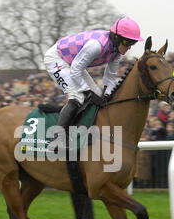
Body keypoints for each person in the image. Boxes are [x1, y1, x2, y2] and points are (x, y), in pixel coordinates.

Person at [44, 17, 144, 150]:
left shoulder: (117, 53)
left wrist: (107, 95)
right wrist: (86, 91)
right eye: (127, 42)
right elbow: (75, 70)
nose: (129, 47)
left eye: (133, 43)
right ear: (116, 37)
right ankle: (57, 138)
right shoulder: (96, 46)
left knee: (98, 95)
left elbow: (110, 77)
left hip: (74, 63)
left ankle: (85, 131)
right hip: (57, 58)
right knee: (78, 96)